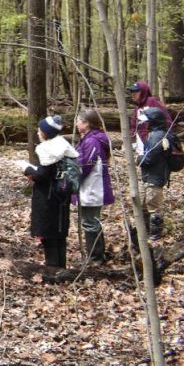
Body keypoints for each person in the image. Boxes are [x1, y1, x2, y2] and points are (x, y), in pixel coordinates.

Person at [21, 114, 76, 268]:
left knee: (49, 232)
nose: (38, 132)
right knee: (59, 232)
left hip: (49, 197)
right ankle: (60, 265)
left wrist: (27, 170)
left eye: (40, 130)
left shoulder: (48, 149)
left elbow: (43, 175)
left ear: (46, 132)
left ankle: (53, 267)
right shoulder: (62, 145)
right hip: (61, 196)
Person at [74, 109, 114, 263]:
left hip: (92, 187)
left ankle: (95, 257)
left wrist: (70, 177)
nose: (77, 124)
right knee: (92, 221)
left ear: (87, 123)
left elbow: (84, 166)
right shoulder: (90, 139)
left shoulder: (92, 141)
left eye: (79, 121)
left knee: (90, 222)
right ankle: (97, 254)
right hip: (91, 186)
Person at [137, 106, 171, 238]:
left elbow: (149, 158)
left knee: (153, 207)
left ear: (154, 122)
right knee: (144, 205)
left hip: (155, 177)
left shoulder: (157, 136)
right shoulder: (155, 135)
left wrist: (138, 158)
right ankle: (145, 231)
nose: (146, 124)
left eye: (148, 121)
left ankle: (156, 234)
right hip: (150, 176)